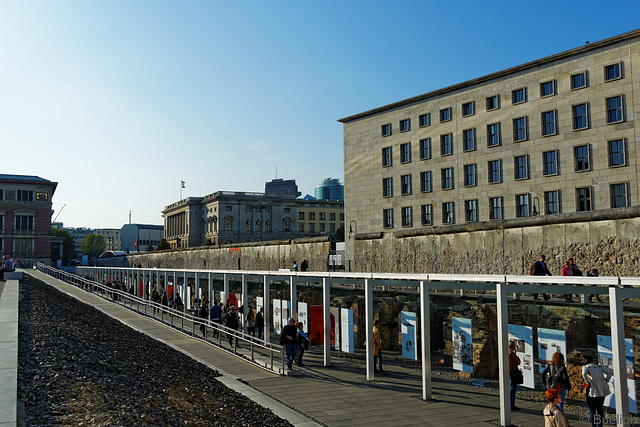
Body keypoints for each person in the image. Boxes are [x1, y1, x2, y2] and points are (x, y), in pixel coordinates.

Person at [582, 354, 613, 427]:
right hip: (601, 387)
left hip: (592, 387)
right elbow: (610, 371)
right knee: (600, 408)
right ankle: (600, 425)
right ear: (592, 360)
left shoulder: (586, 367)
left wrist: (587, 381)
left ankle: (594, 425)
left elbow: (584, 373)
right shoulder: (599, 367)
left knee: (592, 409)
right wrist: (606, 380)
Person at [509, 341, 521, 411]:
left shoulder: (506, 352)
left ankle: (510, 403)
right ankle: (511, 404)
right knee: (512, 389)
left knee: (510, 388)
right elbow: (518, 362)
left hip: (508, 373)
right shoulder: (512, 355)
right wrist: (515, 354)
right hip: (512, 373)